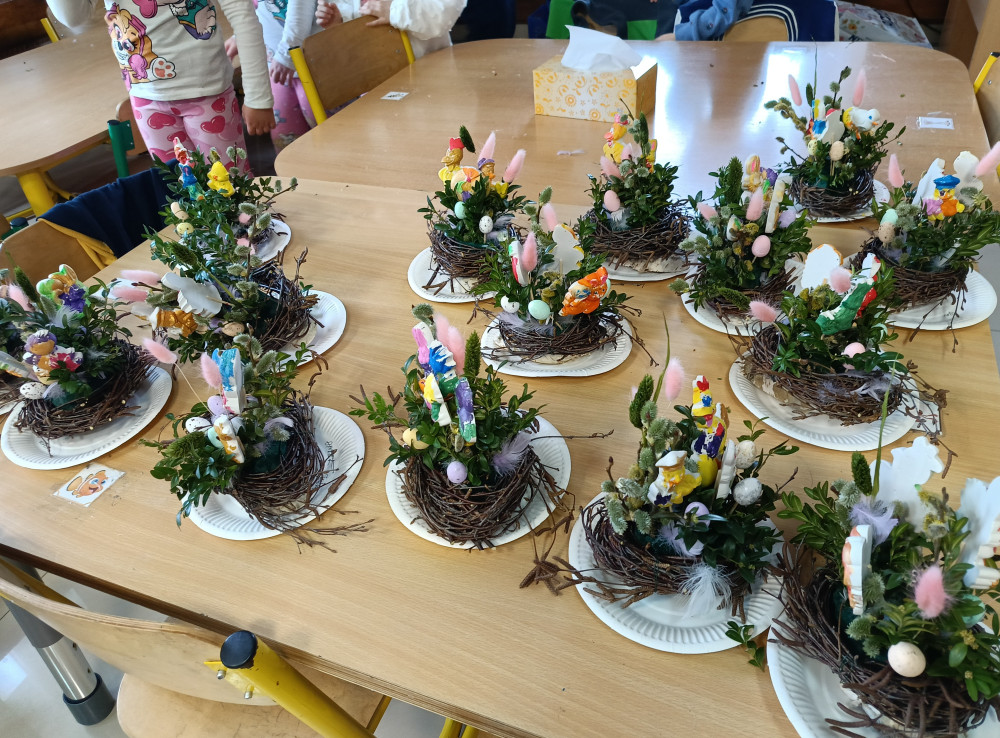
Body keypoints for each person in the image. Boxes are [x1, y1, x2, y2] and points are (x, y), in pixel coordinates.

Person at [46, 0, 275, 171]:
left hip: (208, 94)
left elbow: (243, 16)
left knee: (231, 189)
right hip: (145, 97)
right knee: (183, 193)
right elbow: (73, 17)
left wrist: (258, 97)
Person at [226, 0, 322, 150]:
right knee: (286, 139)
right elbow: (259, 8)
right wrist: (239, 36)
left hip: (314, 66)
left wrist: (286, 55)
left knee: (329, 133)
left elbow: (300, 12)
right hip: (276, 68)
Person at [315, 0, 466, 58]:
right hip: (376, 91)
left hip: (431, 75)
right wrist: (338, 27)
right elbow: (353, 52)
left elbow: (447, 8)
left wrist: (394, 10)